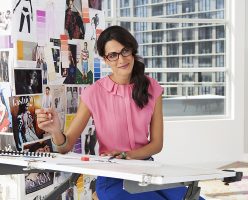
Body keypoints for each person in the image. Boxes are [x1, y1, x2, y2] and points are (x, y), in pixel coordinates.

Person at [36, 26, 205, 200]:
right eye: (113, 55)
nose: (121, 59)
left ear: (132, 50)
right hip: (113, 177)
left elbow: (156, 144)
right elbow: (66, 146)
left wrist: (128, 155)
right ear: (105, 60)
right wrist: (56, 131)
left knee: (194, 198)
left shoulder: (152, 87)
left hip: (148, 171)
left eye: (125, 51)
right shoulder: (93, 93)